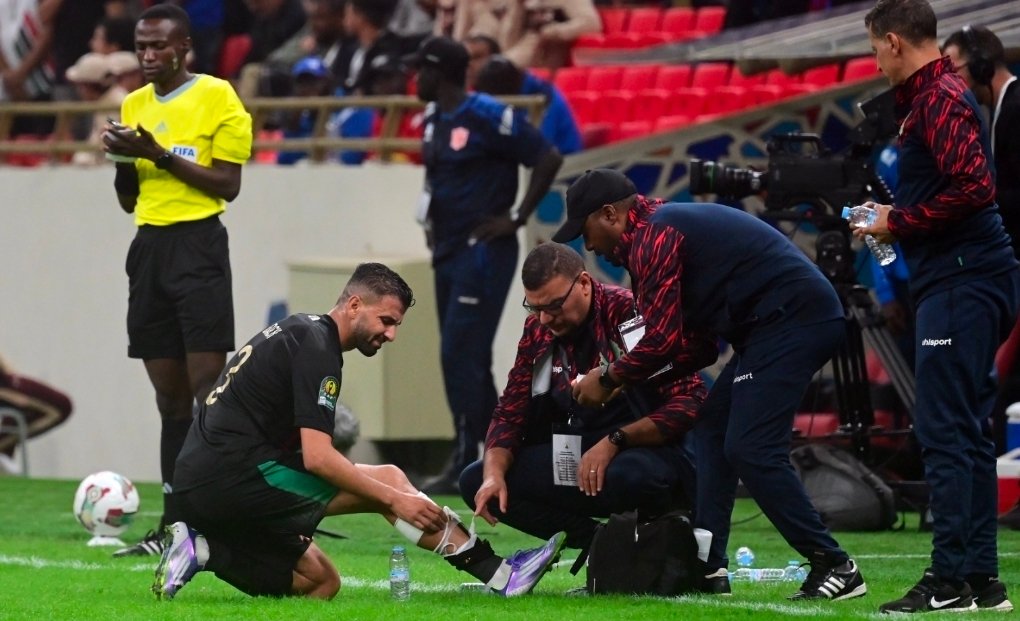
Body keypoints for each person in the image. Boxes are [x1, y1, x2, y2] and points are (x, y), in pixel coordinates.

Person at [152, 263, 566, 600]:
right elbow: (317, 456)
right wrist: (393, 500)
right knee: (391, 484)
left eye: (397, 324)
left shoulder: (303, 332)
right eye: (386, 321)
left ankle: (204, 550)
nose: (391, 334)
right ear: (353, 304)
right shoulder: (317, 347)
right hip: (232, 477)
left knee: (320, 583)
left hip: (211, 480)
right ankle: (500, 575)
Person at [554, 168, 866, 601]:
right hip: (772, 326)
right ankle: (709, 566)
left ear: (610, 214)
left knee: (751, 448)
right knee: (712, 429)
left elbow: (662, 341)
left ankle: (834, 564)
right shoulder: (661, 230)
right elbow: (696, 349)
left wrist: (609, 377)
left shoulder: (654, 236)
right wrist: (625, 381)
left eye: (586, 231)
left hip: (791, 320)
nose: (588, 246)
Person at [853, 0, 1019, 613]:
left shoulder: (938, 99)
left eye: (875, 48)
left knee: (945, 430)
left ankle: (948, 580)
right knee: (967, 430)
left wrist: (898, 222)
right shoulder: (936, 96)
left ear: (895, 42)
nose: (876, 62)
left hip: (961, 279)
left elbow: (975, 187)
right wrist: (892, 217)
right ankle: (981, 581)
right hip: (968, 276)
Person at [101, 3, 253, 558]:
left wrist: (157, 153)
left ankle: (214, 519)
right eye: (141, 45)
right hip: (149, 249)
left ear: (184, 46)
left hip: (199, 245)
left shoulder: (217, 96)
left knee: (207, 391)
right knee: (169, 400)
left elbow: (228, 184)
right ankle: (174, 527)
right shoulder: (134, 103)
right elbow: (128, 199)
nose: (147, 55)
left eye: (158, 45)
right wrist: (124, 160)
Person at [460, 243, 712, 556]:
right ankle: (599, 542)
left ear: (583, 283)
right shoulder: (538, 329)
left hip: (639, 452)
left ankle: (662, 532)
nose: (545, 318)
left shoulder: (629, 315)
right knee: (476, 480)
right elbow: (510, 412)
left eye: (554, 305)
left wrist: (615, 440)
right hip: (574, 453)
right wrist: (493, 476)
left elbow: (689, 401)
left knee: (635, 476)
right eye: (534, 308)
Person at [409, 36, 563, 495]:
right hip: (448, 251)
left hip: (482, 252)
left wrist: (516, 216)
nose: (415, 79)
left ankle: (472, 455)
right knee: (464, 357)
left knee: (460, 354)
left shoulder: (488, 114)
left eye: (421, 69)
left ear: (440, 71)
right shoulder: (433, 118)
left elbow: (547, 157)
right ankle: (499, 452)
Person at [943, 29, 1020, 519]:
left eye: (953, 67)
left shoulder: (1017, 108)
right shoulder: (998, 111)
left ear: (982, 65)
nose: (949, 80)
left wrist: (976, 200)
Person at [469, 38, 582, 155]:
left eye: (477, 57)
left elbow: (540, 148)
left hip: (566, 161)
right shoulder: (478, 91)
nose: (470, 64)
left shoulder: (543, 95)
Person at [0, 354, 73, 475]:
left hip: (52, 406)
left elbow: (21, 401)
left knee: (8, 436)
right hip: (16, 392)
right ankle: (5, 459)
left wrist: (50, 412)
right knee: (8, 434)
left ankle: (5, 459)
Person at [65, 52, 127, 166]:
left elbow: (104, 152)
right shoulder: (105, 101)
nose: (79, 91)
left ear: (88, 85)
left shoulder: (115, 104)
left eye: (80, 85)